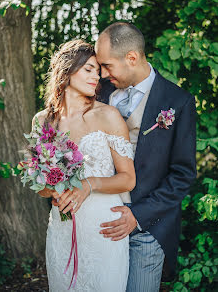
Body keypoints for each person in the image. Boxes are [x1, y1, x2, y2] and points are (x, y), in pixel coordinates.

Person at [95, 22, 197, 292]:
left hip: (148, 226)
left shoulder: (178, 101)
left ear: (132, 58)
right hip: (99, 220)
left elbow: (183, 174)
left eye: (107, 66)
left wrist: (136, 216)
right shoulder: (100, 93)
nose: (102, 74)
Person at [32, 39, 136, 292]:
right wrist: (52, 189)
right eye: (89, 69)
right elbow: (41, 189)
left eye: (98, 71)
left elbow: (127, 179)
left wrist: (89, 185)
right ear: (67, 70)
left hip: (104, 228)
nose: (96, 77)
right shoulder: (42, 121)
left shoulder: (108, 116)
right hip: (62, 227)